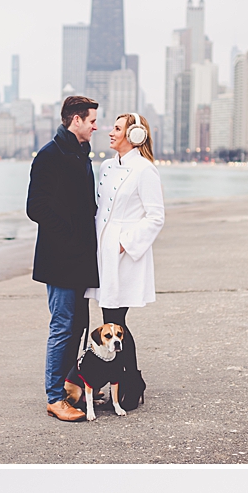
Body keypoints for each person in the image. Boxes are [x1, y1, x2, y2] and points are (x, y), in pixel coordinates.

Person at [26, 95, 99, 423]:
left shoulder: (81, 153)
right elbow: (35, 207)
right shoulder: (50, 155)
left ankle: (70, 387)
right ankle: (55, 398)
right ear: (76, 120)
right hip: (60, 258)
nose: (96, 126)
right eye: (92, 120)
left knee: (77, 325)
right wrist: (69, 232)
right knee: (63, 326)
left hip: (80, 258)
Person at [87, 111, 165, 336]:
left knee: (115, 320)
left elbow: (156, 216)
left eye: (117, 129)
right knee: (109, 320)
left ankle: (129, 373)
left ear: (135, 135)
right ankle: (124, 372)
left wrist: (123, 244)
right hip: (102, 252)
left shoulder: (145, 169)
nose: (111, 133)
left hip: (123, 254)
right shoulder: (106, 167)